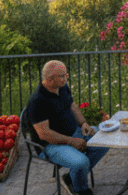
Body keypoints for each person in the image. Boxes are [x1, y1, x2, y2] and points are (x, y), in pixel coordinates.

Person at [27, 60, 108, 195]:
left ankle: (71, 178)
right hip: (51, 145)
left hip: (74, 132)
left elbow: (73, 106)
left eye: (66, 75)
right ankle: (80, 189)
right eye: (62, 76)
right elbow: (44, 134)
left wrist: (83, 124)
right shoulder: (37, 101)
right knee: (82, 162)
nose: (65, 78)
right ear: (50, 79)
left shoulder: (61, 87)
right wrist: (71, 141)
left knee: (105, 139)